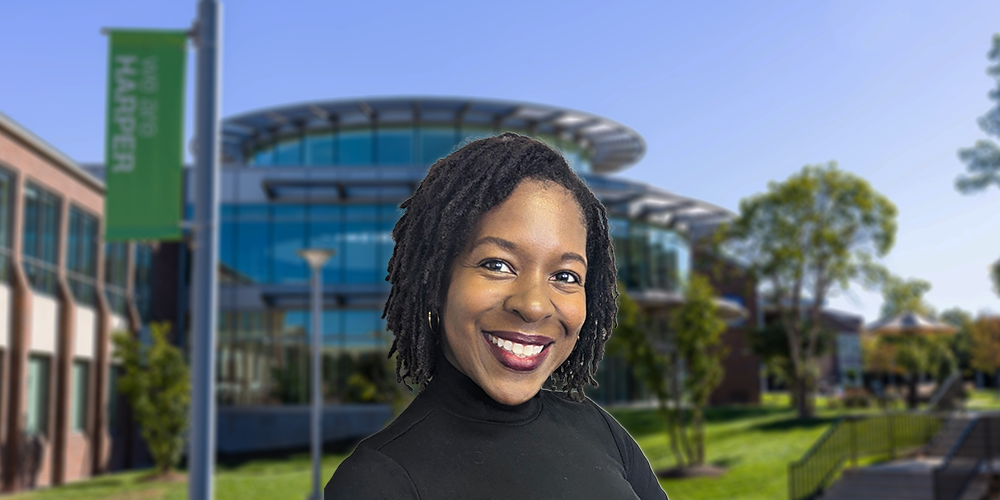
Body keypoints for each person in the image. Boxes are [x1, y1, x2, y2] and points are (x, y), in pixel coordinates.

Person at [325, 133, 668, 500]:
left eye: (565, 276)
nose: (534, 305)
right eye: (498, 265)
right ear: (436, 282)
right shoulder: (377, 482)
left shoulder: (601, 431)